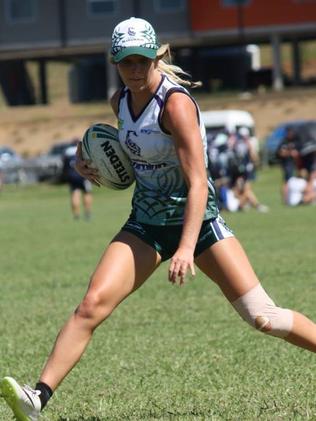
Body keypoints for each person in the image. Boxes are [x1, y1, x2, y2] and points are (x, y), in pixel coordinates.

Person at [1, 17, 316, 421]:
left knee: (264, 317)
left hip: (199, 226)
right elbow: (127, 159)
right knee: (91, 305)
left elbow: (199, 182)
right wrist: (89, 163)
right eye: (126, 62)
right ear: (114, 61)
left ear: (157, 57)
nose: (134, 70)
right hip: (145, 225)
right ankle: (37, 398)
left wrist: (186, 247)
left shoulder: (176, 105)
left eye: (142, 61)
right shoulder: (120, 102)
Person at [62, 139, 93, 220]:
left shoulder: (67, 152)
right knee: (87, 193)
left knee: (75, 193)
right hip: (83, 176)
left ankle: (76, 215)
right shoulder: (82, 151)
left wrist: (65, 177)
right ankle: (87, 213)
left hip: (71, 176)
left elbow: (64, 167)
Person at [276, 127, 300, 203]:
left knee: (292, 181)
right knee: (286, 181)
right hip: (286, 164)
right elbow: (280, 153)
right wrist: (290, 153)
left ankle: (290, 197)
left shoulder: (294, 141)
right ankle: (285, 199)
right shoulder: (284, 142)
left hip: (293, 164)